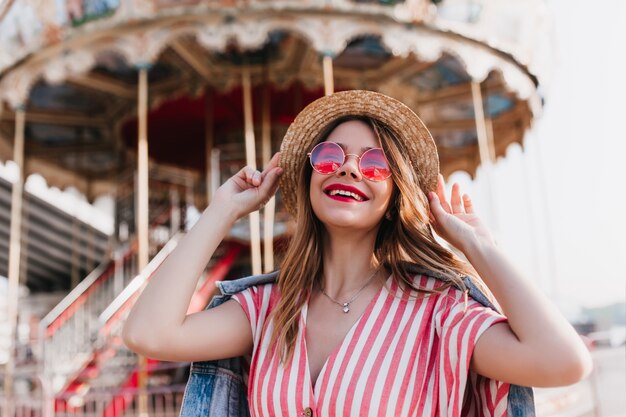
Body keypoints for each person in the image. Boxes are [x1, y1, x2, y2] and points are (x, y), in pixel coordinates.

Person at [122, 90, 592, 416]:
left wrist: (478, 245)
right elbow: (149, 334)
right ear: (310, 178)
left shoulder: (439, 313)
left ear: (396, 194)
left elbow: (564, 361)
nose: (348, 168)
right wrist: (222, 210)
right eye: (330, 156)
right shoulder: (269, 310)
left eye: (375, 163)